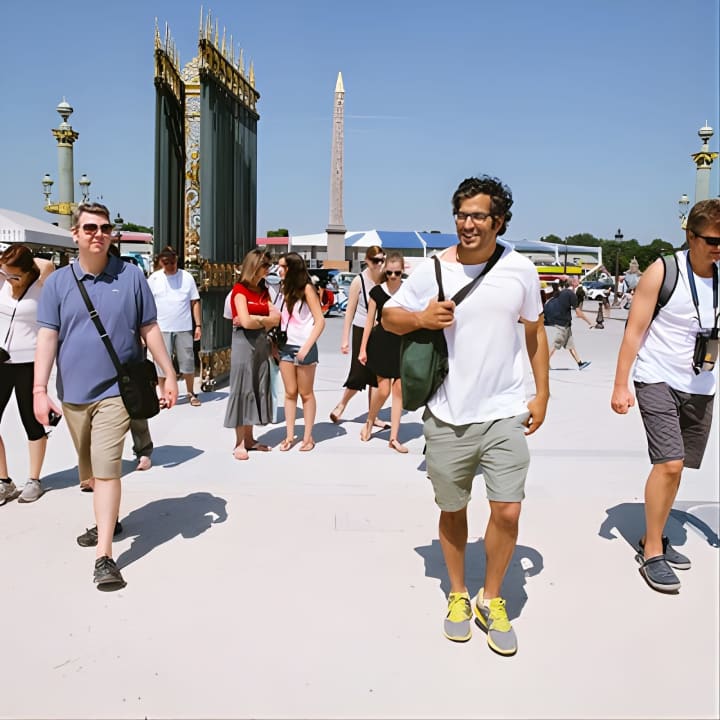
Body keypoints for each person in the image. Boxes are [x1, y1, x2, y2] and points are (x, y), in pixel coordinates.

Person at [384, 175, 549, 657]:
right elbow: (390, 316)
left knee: (508, 509)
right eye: (461, 215)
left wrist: (542, 393)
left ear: (499, 221)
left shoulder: (520, 270)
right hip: (448, 412)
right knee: (453, 509)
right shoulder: (434, 269)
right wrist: (420, 318)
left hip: (504, 410)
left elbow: (535, 332)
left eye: (478, 215)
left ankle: (490, 597)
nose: (467, 224)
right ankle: (458, 593)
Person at [33, 202, 178, 591]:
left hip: (117, 391)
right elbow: (47, 336)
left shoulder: (131, 276)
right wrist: (39, 389)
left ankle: (105, 556)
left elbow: (149, 327)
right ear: (76, 234)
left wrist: (168, 373)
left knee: (107, 468)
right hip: (73, 395)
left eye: (105, 228)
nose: (99, 234)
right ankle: (107, 520)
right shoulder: (58, 283)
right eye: (90, 228)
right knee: (90, 473)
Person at [611, 198, 720, 594]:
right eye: (712, 240)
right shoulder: (663, 270)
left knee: (677, 468)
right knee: (670, 463)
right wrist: (621, 384)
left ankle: (651, 533)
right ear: (691, 236)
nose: (718, 247)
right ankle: (652, 551)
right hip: (656, 377)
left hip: (700, 383)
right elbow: (634, 331)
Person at [0, 246, 54, 505]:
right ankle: (4, 481)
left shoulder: (41, 283)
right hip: (2, 361)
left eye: (15, 276)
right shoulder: (2, 281)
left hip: (29, 363)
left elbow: (46, 265)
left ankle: (34, 479)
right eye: (5, 274)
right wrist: (6, 269)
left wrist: (23, 264)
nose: (10, 280)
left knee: (31, 421)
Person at [224, 248, 280, 460]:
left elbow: (277, 317)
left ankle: (249, 438)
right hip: (243, 343)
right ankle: (239, 442)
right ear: (254, 266)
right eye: (265, 265)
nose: (268, 269)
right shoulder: (239, 290)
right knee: (242, 389)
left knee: (256, 387)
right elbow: (245, 323)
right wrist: (263, 320)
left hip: (260, 343)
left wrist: (257, 319)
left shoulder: (264, 290)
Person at [329, 245, 386, 427]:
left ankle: (373, 415)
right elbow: (350, 311)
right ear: (367, 261)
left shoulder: (386, 278)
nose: (380, 264)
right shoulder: (359, 281)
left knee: (377, 376)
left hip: (381, 330)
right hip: (361, 328)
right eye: (376, 260)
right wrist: (345, 339)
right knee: (359, 372)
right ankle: (342, 404)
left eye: (382, 260)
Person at [274, 253, 325, 452]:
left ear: (293, 268)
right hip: (286, 346)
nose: (279, 270)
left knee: (306, 393)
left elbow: (320, 321)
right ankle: (289, 436)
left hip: (304, 346)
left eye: (283, 266)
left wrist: (306, 347)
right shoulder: (283, 289)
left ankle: (307, 437)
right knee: (289, 393)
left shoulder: (307, 289)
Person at [358, 251, 407, 452]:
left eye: (397, 273)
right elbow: (369, 322)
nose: (393, 276)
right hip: (381, 342)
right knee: (384, 389)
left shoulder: (408, 290)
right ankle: (370, 420)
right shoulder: (377, 292)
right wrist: (362, 349)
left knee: (399, 390)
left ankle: (393, 438)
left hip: (402, 343)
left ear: (403, 271)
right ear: (385, 271)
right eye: (390, 273)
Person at [147, 246, 203, 406]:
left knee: (187, 361)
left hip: (183, 326)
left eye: (172, 262)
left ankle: (190, 392)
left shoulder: (187, 277)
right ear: (161, 263)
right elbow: (147, 303)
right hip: (161, 326)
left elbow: (194, 302)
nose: (170, 266)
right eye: (166, 263)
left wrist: (198, 325)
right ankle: (163, 394)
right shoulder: (154, 279)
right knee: (161, 363)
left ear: (176, 260)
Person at [545, 276, 593, 370]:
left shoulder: (563, 292)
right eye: (578, 280)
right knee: (556, 343)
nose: (579, 280)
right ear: (574, 283)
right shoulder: (571, 295)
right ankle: (544, 363)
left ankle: (580, 363)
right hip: (562, 323)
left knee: (570, 345)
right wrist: (590, 322)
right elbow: (578, 313)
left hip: (564, 322)